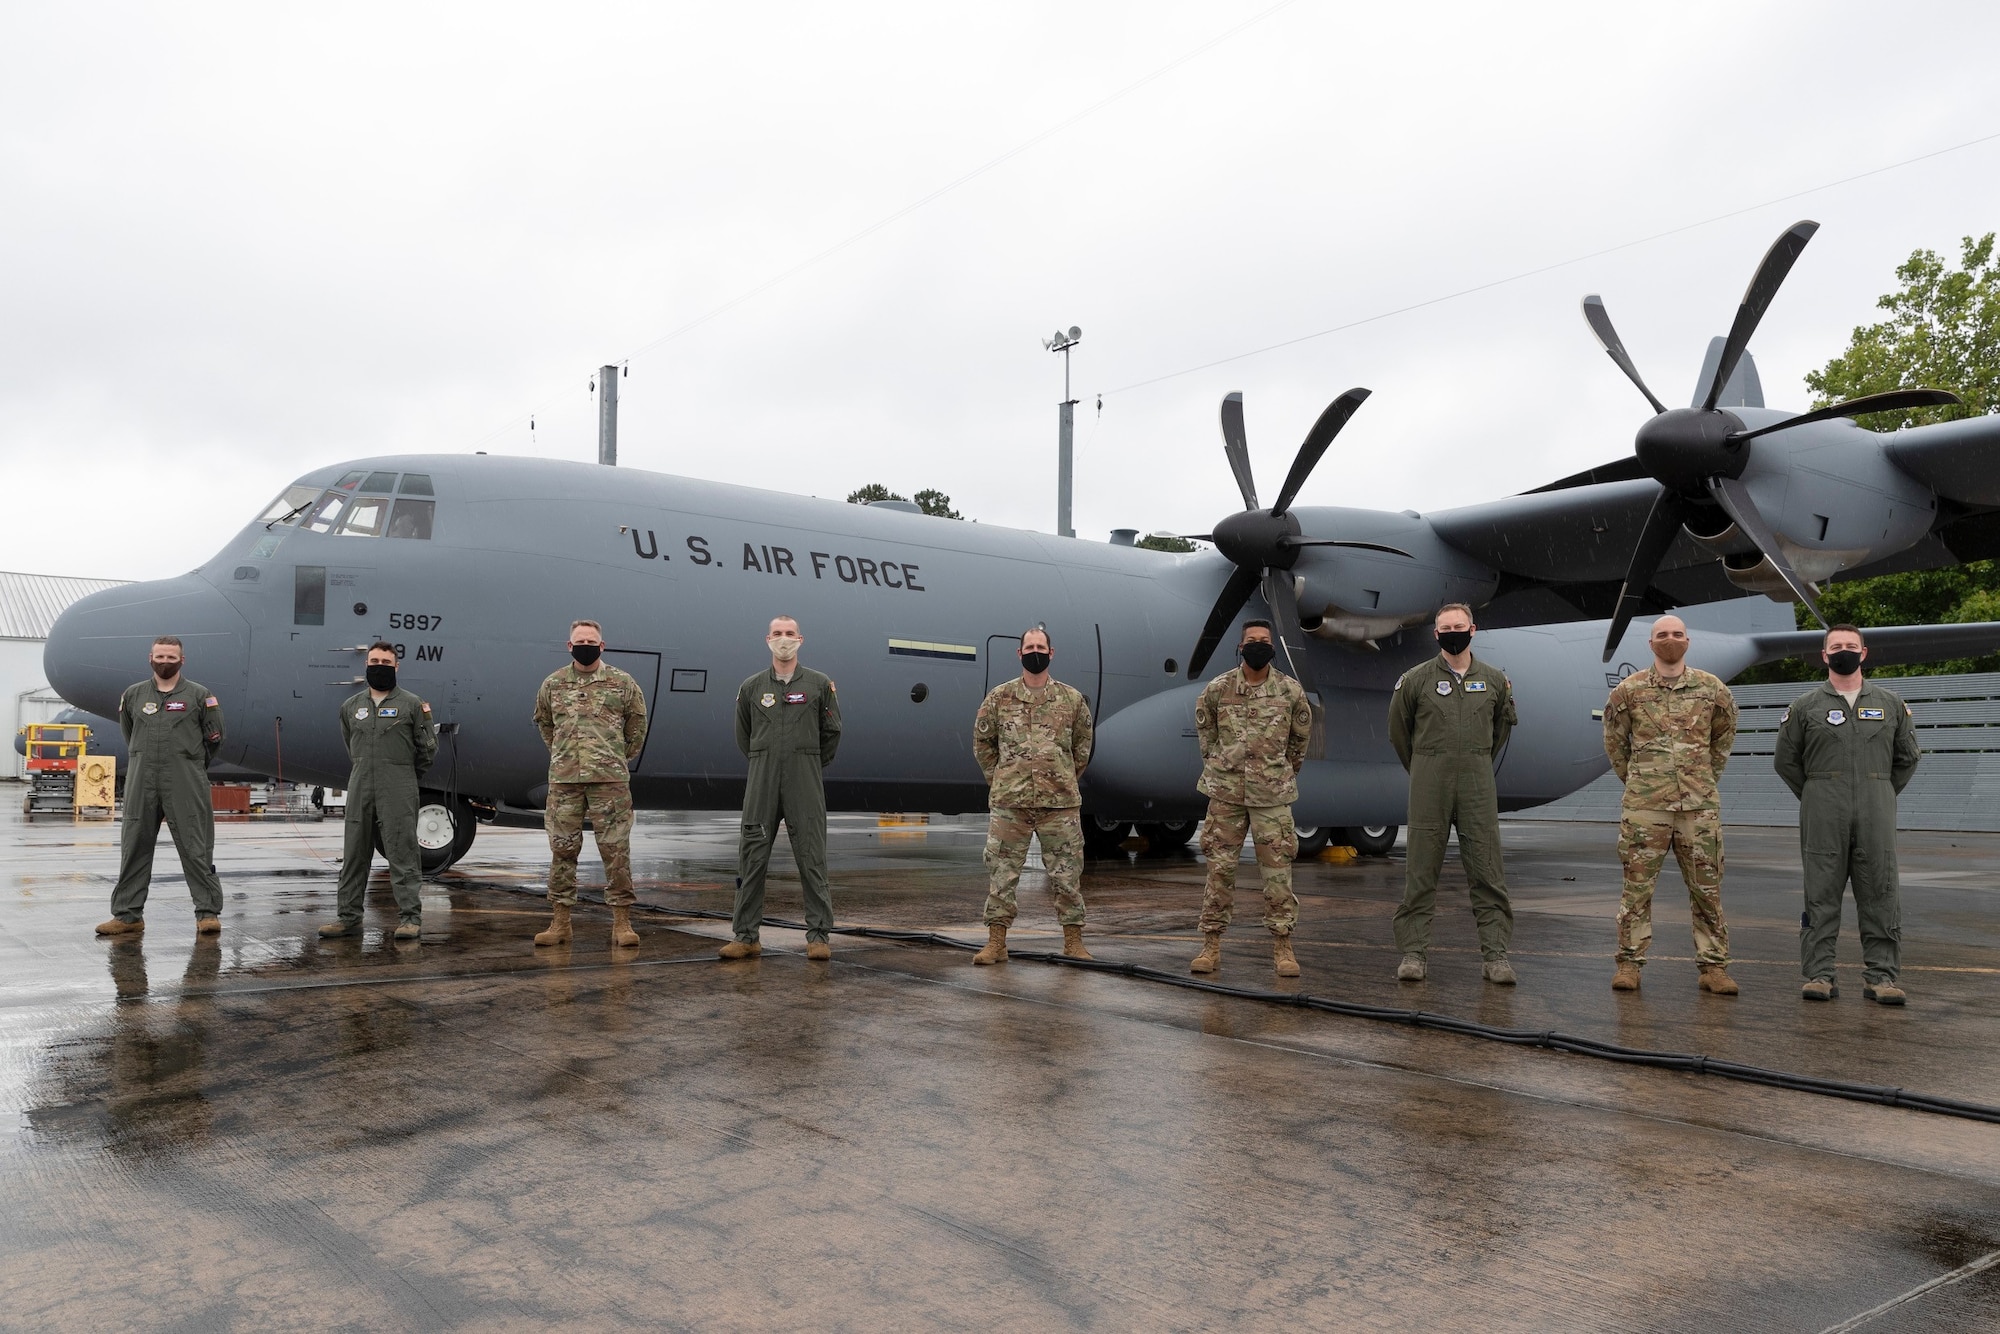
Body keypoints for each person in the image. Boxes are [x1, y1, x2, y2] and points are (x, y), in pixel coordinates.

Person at [1774, 624, 1921, 1004]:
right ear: (1824, 656)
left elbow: (1907, 758)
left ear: (1864, 652)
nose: (1844, 651)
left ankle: (1882, 977)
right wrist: (1814, 793)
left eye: (1850, 646)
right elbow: (1786, 761)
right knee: (1821, 893)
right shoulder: (1805, 707)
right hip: (1822, 808)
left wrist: (1881, 791)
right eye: (1836, 646)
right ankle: (1820, 975)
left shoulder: (1890, 703)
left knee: (1881, 892)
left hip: (1876, 807)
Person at [1601, 615, 1739, 995]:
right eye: (1662, 635)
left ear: (1688, 641)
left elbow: (1723, 737)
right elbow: (1615, 743)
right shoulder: (1629, 691)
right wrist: (1640, 780)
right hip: (1646, 808)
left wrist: (1704, 778)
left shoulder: (1712, 689)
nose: (1670, 640)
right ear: (1651, 644)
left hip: (1699, 808)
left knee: (1707, 889)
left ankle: (1713, 968)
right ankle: (1629, 964)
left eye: (1677, 634)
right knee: (1636, 890)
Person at [1387, 603, 1518, 984]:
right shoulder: (1415, 680)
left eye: (1458, 626)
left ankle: (1496, 956)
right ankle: (1413, 953)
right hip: (1429, 779)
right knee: (1421, 869)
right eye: (1445, 627)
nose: (1452, 632)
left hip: (1477, 780)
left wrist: (1474, 762)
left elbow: (1500, 732)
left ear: (1473, 629)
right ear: (1436, 634)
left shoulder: (1495, 681)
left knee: (1487, 870)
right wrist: (1426, 767)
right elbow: (1399, 732)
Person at [1190, 620, 1315, 978]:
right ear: (1240, 646)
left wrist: (1277, 774)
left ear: (1272, 646)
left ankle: (1282, 945)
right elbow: (1207, 739)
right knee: (1219, 871)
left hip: (1271, 796)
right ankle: (1211, 945)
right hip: (1226, 794)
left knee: (1277, 874)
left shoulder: (1290, 692)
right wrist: (1224, 769)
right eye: (1251, 641)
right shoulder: (1218, 689)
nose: (1258, 645)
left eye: (1264, 641)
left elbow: (1298, 743)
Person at [970, 625, 1095, 964]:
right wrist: (1002, 779)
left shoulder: (1071, 699)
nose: (1035, 652)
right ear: (1019, 653)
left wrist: (1064, 776)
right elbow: (983, 744)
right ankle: (996, 943)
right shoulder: (999, 698)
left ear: (1051, 653)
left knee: (1067, 875)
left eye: (1041, 646)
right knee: (1001, 873)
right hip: (1011, 803)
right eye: (1030, 647)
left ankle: (1073, 942)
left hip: (1060, 804)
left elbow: (1082, 746)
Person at [725, 616, 842, 961]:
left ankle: (818, 936)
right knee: (752, 857)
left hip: (804, 780)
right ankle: (746, 937)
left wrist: (805, 761)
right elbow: (743, 736)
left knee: (811, 856)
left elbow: (832, 733)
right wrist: (767, 760)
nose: (784, 639)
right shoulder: (751, 687)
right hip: (761, 780)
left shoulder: (820, 685)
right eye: (778, 634)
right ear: (768, 640)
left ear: (801, 640)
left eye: (789, 634)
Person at [96, 636, 227, 937]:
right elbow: (130, 736)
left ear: (182, 660)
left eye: (171, 657)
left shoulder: (199, 695)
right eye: (160, 657)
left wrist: (188, 762)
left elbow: (215, 737)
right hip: (143, 780)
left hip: (185, 779)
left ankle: (207, 913)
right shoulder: (133, 695)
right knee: (134, 845)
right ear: (150, 658)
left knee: (196, 846)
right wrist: (147, 759)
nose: (165, 662)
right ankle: (128, 915)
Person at [530, 620, 650, 948]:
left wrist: (615, 756)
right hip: (565, 780)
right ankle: (560, 924)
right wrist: (563, 753)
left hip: (609, 781)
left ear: (602, 645)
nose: (586, 645)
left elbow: (637, 724)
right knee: (562, 850)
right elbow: (544, 722)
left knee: (616, 851)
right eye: (579, 640)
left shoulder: (622, 682)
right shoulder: (553, 684)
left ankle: (622, 924)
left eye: (591, 640)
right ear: (570, 646)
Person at [319, 642, 438, 940]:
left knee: (403, 853)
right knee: (354, 854)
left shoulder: (412, 705)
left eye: (386, 661)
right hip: (361, 784)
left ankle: (410, 919)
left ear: (397, 667)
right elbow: (351, 746)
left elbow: (427, 750)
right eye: (374, 660)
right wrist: (367, 768)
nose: (379, 665)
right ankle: (348, 918)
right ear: (366, 664)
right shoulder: (351, 707)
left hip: (398, 786)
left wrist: (403, 773)